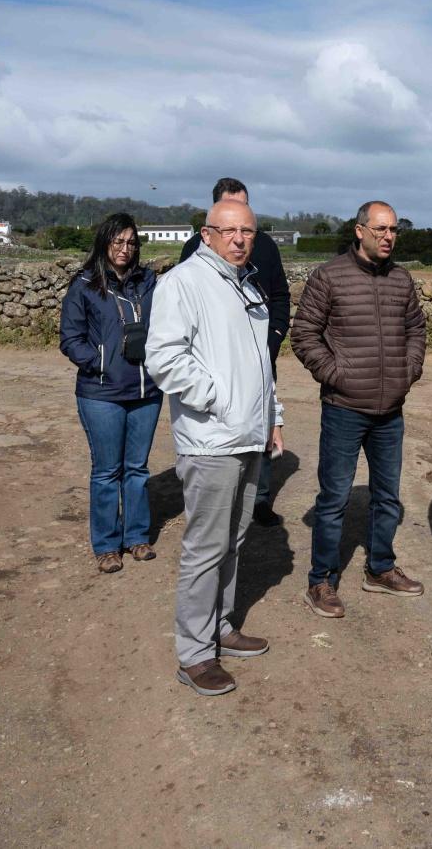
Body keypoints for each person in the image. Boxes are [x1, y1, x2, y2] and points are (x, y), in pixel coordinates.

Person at [147, 198, 288, 696]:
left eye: (247, 231)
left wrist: (272, 416)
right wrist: (217, 398)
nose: (239, 239)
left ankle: (220, 626)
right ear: (206, 235)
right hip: (211, 439)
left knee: (234, 540)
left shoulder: (246, 284)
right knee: (205, 548)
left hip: (248, 435)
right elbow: (164, 357)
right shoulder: (183, 283)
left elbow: (260, 363)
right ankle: (194, 654)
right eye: (228, 231)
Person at [290, 200, 428, 618]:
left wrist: (409, 370)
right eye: (380, 229)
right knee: (334, 498)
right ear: (359, 230)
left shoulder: (401, 279)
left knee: (387, 496)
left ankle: (380, 568)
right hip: (344, 408)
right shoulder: (329, 276)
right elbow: (304, 334)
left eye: (394, 230)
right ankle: (321, 581)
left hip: (390, 411)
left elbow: (416, 328)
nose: (389, 236)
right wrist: (337, 375)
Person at [181, 177, 292, 526]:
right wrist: (210, 390)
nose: (240, 235)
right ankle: (217, 496)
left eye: (245, 209)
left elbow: (280, 296)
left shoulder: (266, 247)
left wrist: (272, 339)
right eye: (231, 217)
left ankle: (259, 498)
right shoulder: (193, 252)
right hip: (217, 363)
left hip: (260, 355)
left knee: (262, 421)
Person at [57, 213, 161, 574]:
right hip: (101, 393)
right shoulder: (84, 285)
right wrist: (100, 362)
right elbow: (70, 339)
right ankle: (106, 545)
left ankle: (136, 537)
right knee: (106, 471)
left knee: (137, 468)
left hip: (146, 391)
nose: (124, 249)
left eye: (131, 242)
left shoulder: (149, 283)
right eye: (118, 241)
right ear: (104, 243)